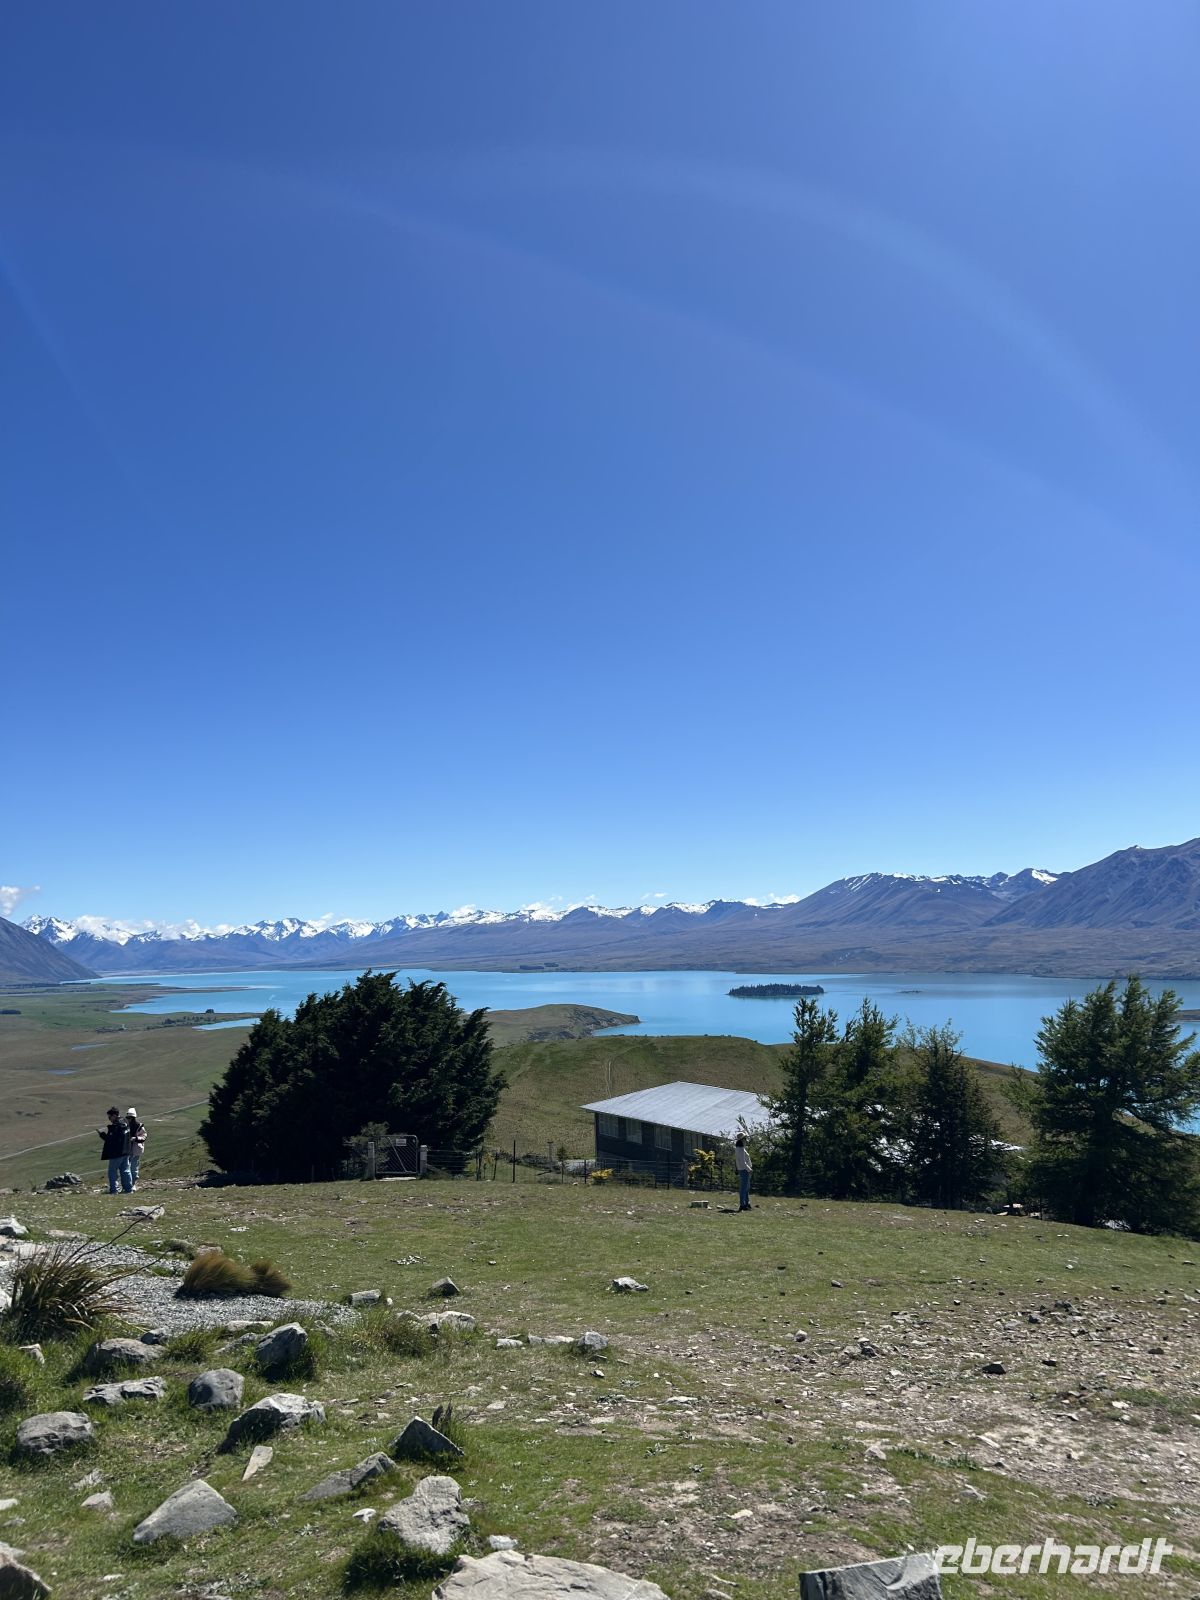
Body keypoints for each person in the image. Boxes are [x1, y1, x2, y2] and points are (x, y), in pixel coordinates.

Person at [98, 1105, 132, 1194]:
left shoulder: (116, 1126)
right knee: (125, 1171)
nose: (109, 1119)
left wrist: (103, 1135)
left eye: (110, 1117)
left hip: (117, 1153)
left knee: (112, 1172)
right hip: (126, 1151)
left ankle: (114, 1190)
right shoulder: (125, 1121)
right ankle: (128, 1189)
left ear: (114, 1115)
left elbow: (111, 1140)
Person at [126, 1107, 147, 1189]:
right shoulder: (125, 1125)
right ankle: (127, 1184)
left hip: (135, 1150)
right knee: (126, 1168)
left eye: (130, 1118)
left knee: (133, 1168)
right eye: (128, 1118)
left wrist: (136, 1138)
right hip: (126, 1150)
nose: (128, 1119)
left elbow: (144, 1136)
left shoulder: (139, 1126)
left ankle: (132, 1184)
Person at [733, 1132, 752, 1211]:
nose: (746, 1140)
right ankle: (742, 1205)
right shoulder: (740, 1149)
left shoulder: (740, 1148)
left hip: (744, 1169)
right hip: (744, 1170)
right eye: (745, 1138)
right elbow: (743, 1162)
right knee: (744, 1188)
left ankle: (747, 1203)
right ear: (742, 1140)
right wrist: (749, 1169)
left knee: (746, 1187)